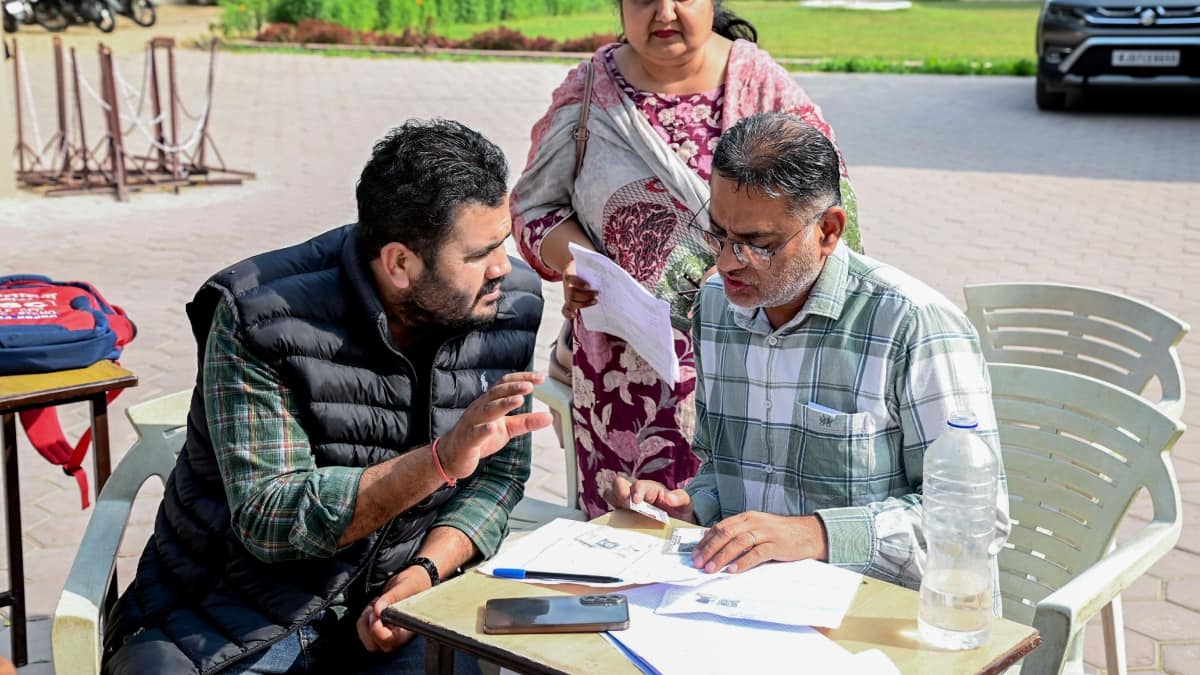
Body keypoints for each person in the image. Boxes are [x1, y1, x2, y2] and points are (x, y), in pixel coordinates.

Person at [102, 119, 551, 675]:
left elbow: (497, 478)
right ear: (400, 264)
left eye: (502, 242)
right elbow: (270, 519)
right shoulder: (258, 316)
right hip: (226, 614)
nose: (503, 267)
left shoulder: (509, 304)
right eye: (480, 252)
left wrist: (424, 575)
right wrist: (438, 461)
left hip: (392, 601)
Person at [606, 113, 1009, 594]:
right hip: (745, 600)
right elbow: (723, 469)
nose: (728, 261)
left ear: (829, 230)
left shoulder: (913, 324)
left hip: (883, 617)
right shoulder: (716, 307)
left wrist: (813, 534)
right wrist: (692, 505)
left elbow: (974, 523)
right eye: (718, 234)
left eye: (758, 244)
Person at [511, 0, 863, 518]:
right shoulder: (589, 94)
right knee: (623, 546)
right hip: (619, 386)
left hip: (749, 373)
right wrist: (579, 262)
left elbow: (832, 213)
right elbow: (532, 205)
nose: (665, 12)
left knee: (736, 547)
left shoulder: (764, 89)